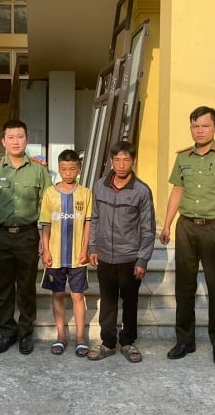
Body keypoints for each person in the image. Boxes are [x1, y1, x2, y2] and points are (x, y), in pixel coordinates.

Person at [159, 105, 215, 368]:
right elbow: (177, 191)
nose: (200, 130)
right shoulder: (183, 157)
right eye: (195, 126)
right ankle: (185, 341)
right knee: (183, 286)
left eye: (205, 126)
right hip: (186, 227)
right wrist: (166, 225)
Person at [0, 119, 52, 355]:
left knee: (26, 288)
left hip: (28, 237)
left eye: (20, 136)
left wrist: (45, 240)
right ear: (3, 141)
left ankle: (25, 334)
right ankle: (6, 333)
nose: (15, 141)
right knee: (3, 289)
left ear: (27, 139)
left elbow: (47, 207)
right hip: (1, 237)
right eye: (10, 137)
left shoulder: (39, 169)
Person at [87, 141, 156, 363]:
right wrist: (92, 246)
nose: (121, 164)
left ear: (133, 161)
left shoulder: (142, 190)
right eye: (117, 159)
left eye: (126, 159)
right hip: (105, 255)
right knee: (107, 301)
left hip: (130, 257)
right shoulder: (99, 186)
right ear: (110, 161)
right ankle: (107, 343)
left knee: (130, 301)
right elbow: (95, 218)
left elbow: (148, 228)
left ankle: (127, 342)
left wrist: (143, 259)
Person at [39, 149, 93, 357]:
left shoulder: (86, 193)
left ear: (78, 169)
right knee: (58, 294)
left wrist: (85, 248)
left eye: (72, 168)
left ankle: (80, 337)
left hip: (77, 256)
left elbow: (88, 223)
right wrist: (45, 249)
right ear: (58, 169)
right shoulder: (50, 193)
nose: (68, 173)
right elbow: (45, 224)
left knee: (78, 295)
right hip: (55, 255)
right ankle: (61, 335)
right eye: (64, 169)